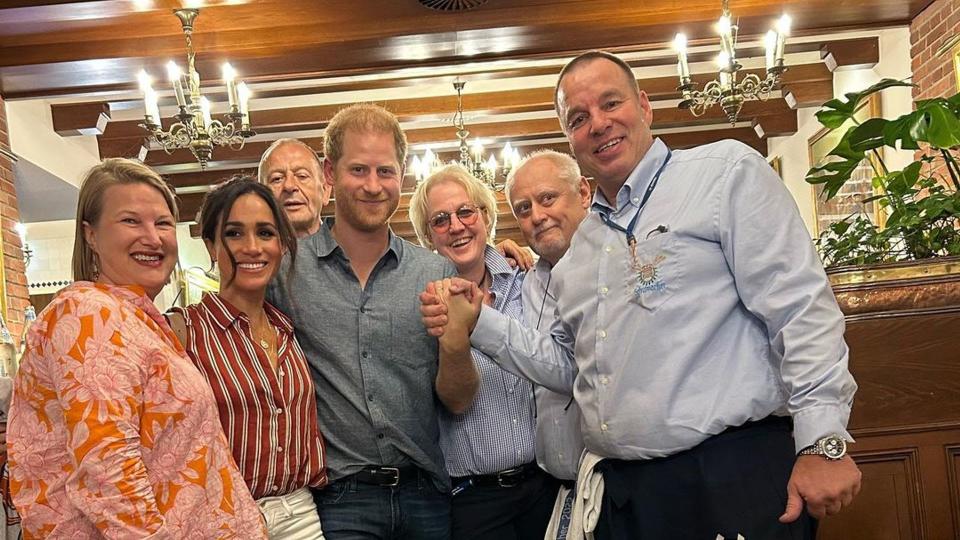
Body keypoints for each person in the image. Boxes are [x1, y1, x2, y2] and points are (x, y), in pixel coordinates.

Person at [426, 51, 862, 540]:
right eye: (578, 118)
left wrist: (823, 441)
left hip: (728, 475)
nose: (598, 124)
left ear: (645, 106)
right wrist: (478, 322)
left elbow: (800, 309)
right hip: (629, 494)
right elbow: (569, 366)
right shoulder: (583, 248)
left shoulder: (722, 174)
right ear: (569, 137)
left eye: (610, 103)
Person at [7, 158, 266, 539]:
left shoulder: (136, 318)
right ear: (90, 234)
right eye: (131, 221)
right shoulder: (86, 313)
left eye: (162, 223)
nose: (153, 237)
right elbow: (110, 474)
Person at [263, 108, 477, 540]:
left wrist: (455, 342)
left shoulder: (433, 271)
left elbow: (458, 401)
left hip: (426, 496)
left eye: (385, 171)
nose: (373, 185)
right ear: (329, 173)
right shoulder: (286, 271)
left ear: (402, 176)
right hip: (340, 500)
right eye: (358, 169)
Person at [167, 176, 328, 539]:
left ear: (282, 246)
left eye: (266, 233)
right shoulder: (183, 331)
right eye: (235, 233)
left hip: (300, 512)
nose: (253, 247)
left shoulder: (290, 331)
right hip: (222, 518)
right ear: (211, 245)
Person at [408, 164, 558, 540]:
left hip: (546, 488)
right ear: (427, 236)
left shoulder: (532, 279)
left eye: (465, 212)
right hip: (473, 502)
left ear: (486, 217)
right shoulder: (423, 303)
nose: (456, 226)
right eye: (440, 220)